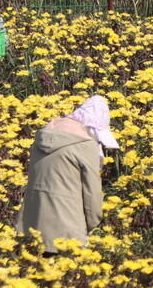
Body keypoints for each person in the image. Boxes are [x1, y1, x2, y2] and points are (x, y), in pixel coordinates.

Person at [21, 95, 116, 253]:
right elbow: (92, 195)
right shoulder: (85, 146)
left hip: (31, 225)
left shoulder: (42, 137)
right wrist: (93, 224)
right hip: (67, 232)